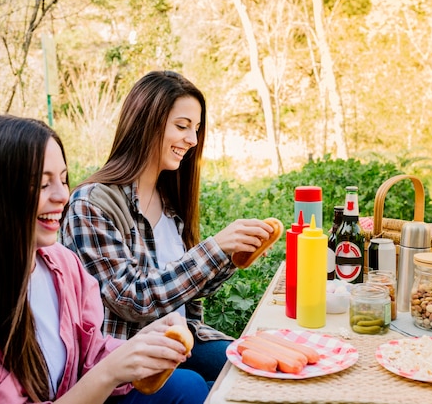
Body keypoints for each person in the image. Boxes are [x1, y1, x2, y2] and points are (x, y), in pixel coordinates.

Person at [0, 114, 208, 404]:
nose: (62, 196)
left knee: (189, 387)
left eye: (63, 178)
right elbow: (100, 370)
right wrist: (108, 372)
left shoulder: (62, 266)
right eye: (42, 184)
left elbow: (91, 352)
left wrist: (138, 347)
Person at [60, 71, 275, 383]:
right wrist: (213, 250)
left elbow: (181, 292)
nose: (193, 139)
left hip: (182, 341)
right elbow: (133, 299)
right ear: (146, 123)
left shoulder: (169, 199)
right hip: (127, 361)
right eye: (182, 126)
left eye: (197, 128)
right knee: (203, 387)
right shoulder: (91, 204)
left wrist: (232, 255)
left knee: (255, 369)